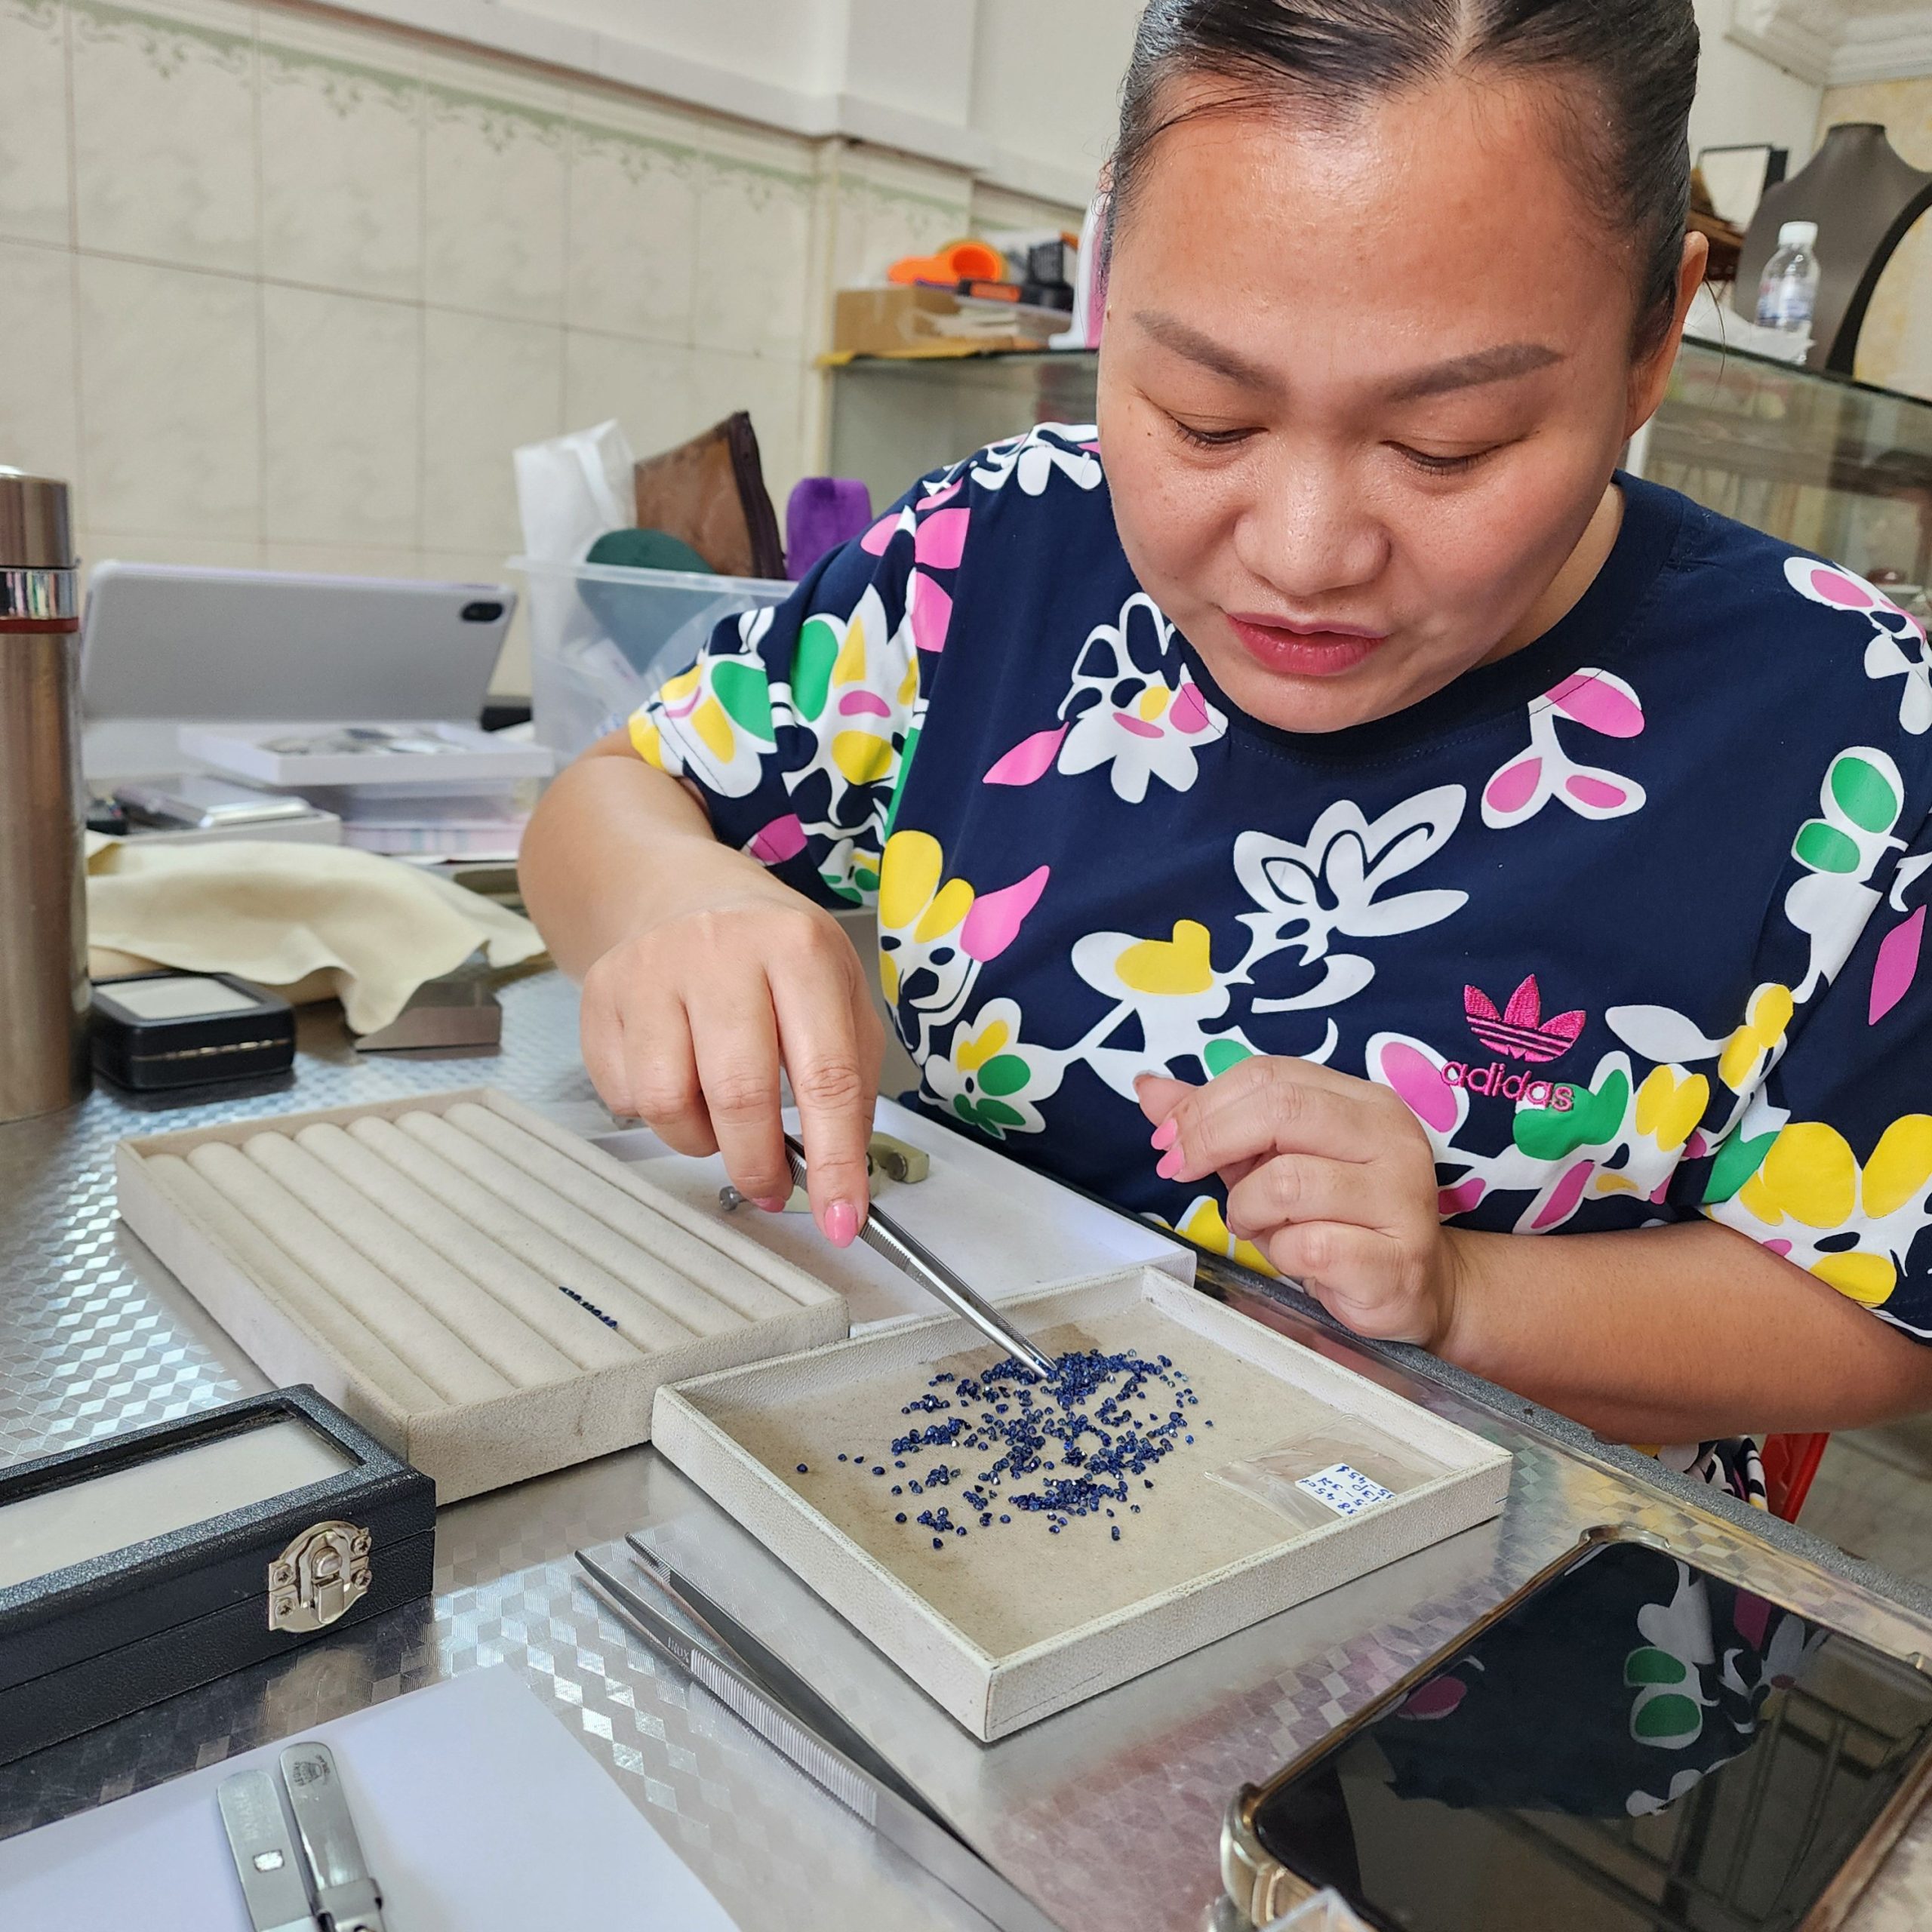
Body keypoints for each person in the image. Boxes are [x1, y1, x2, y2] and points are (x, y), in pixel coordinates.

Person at [521, 0, 1932, 1481]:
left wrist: (1462, 1290)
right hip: (951, 1489)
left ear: (1651, 341)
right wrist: (682, 901)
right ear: (1113, 283)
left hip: (1508, 1646)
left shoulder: (1838, 715)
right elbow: (607, 800)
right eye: (1204, 415)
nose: (1303, 552)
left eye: (1445, 448)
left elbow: (1886, 1309)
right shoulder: (995, 554)